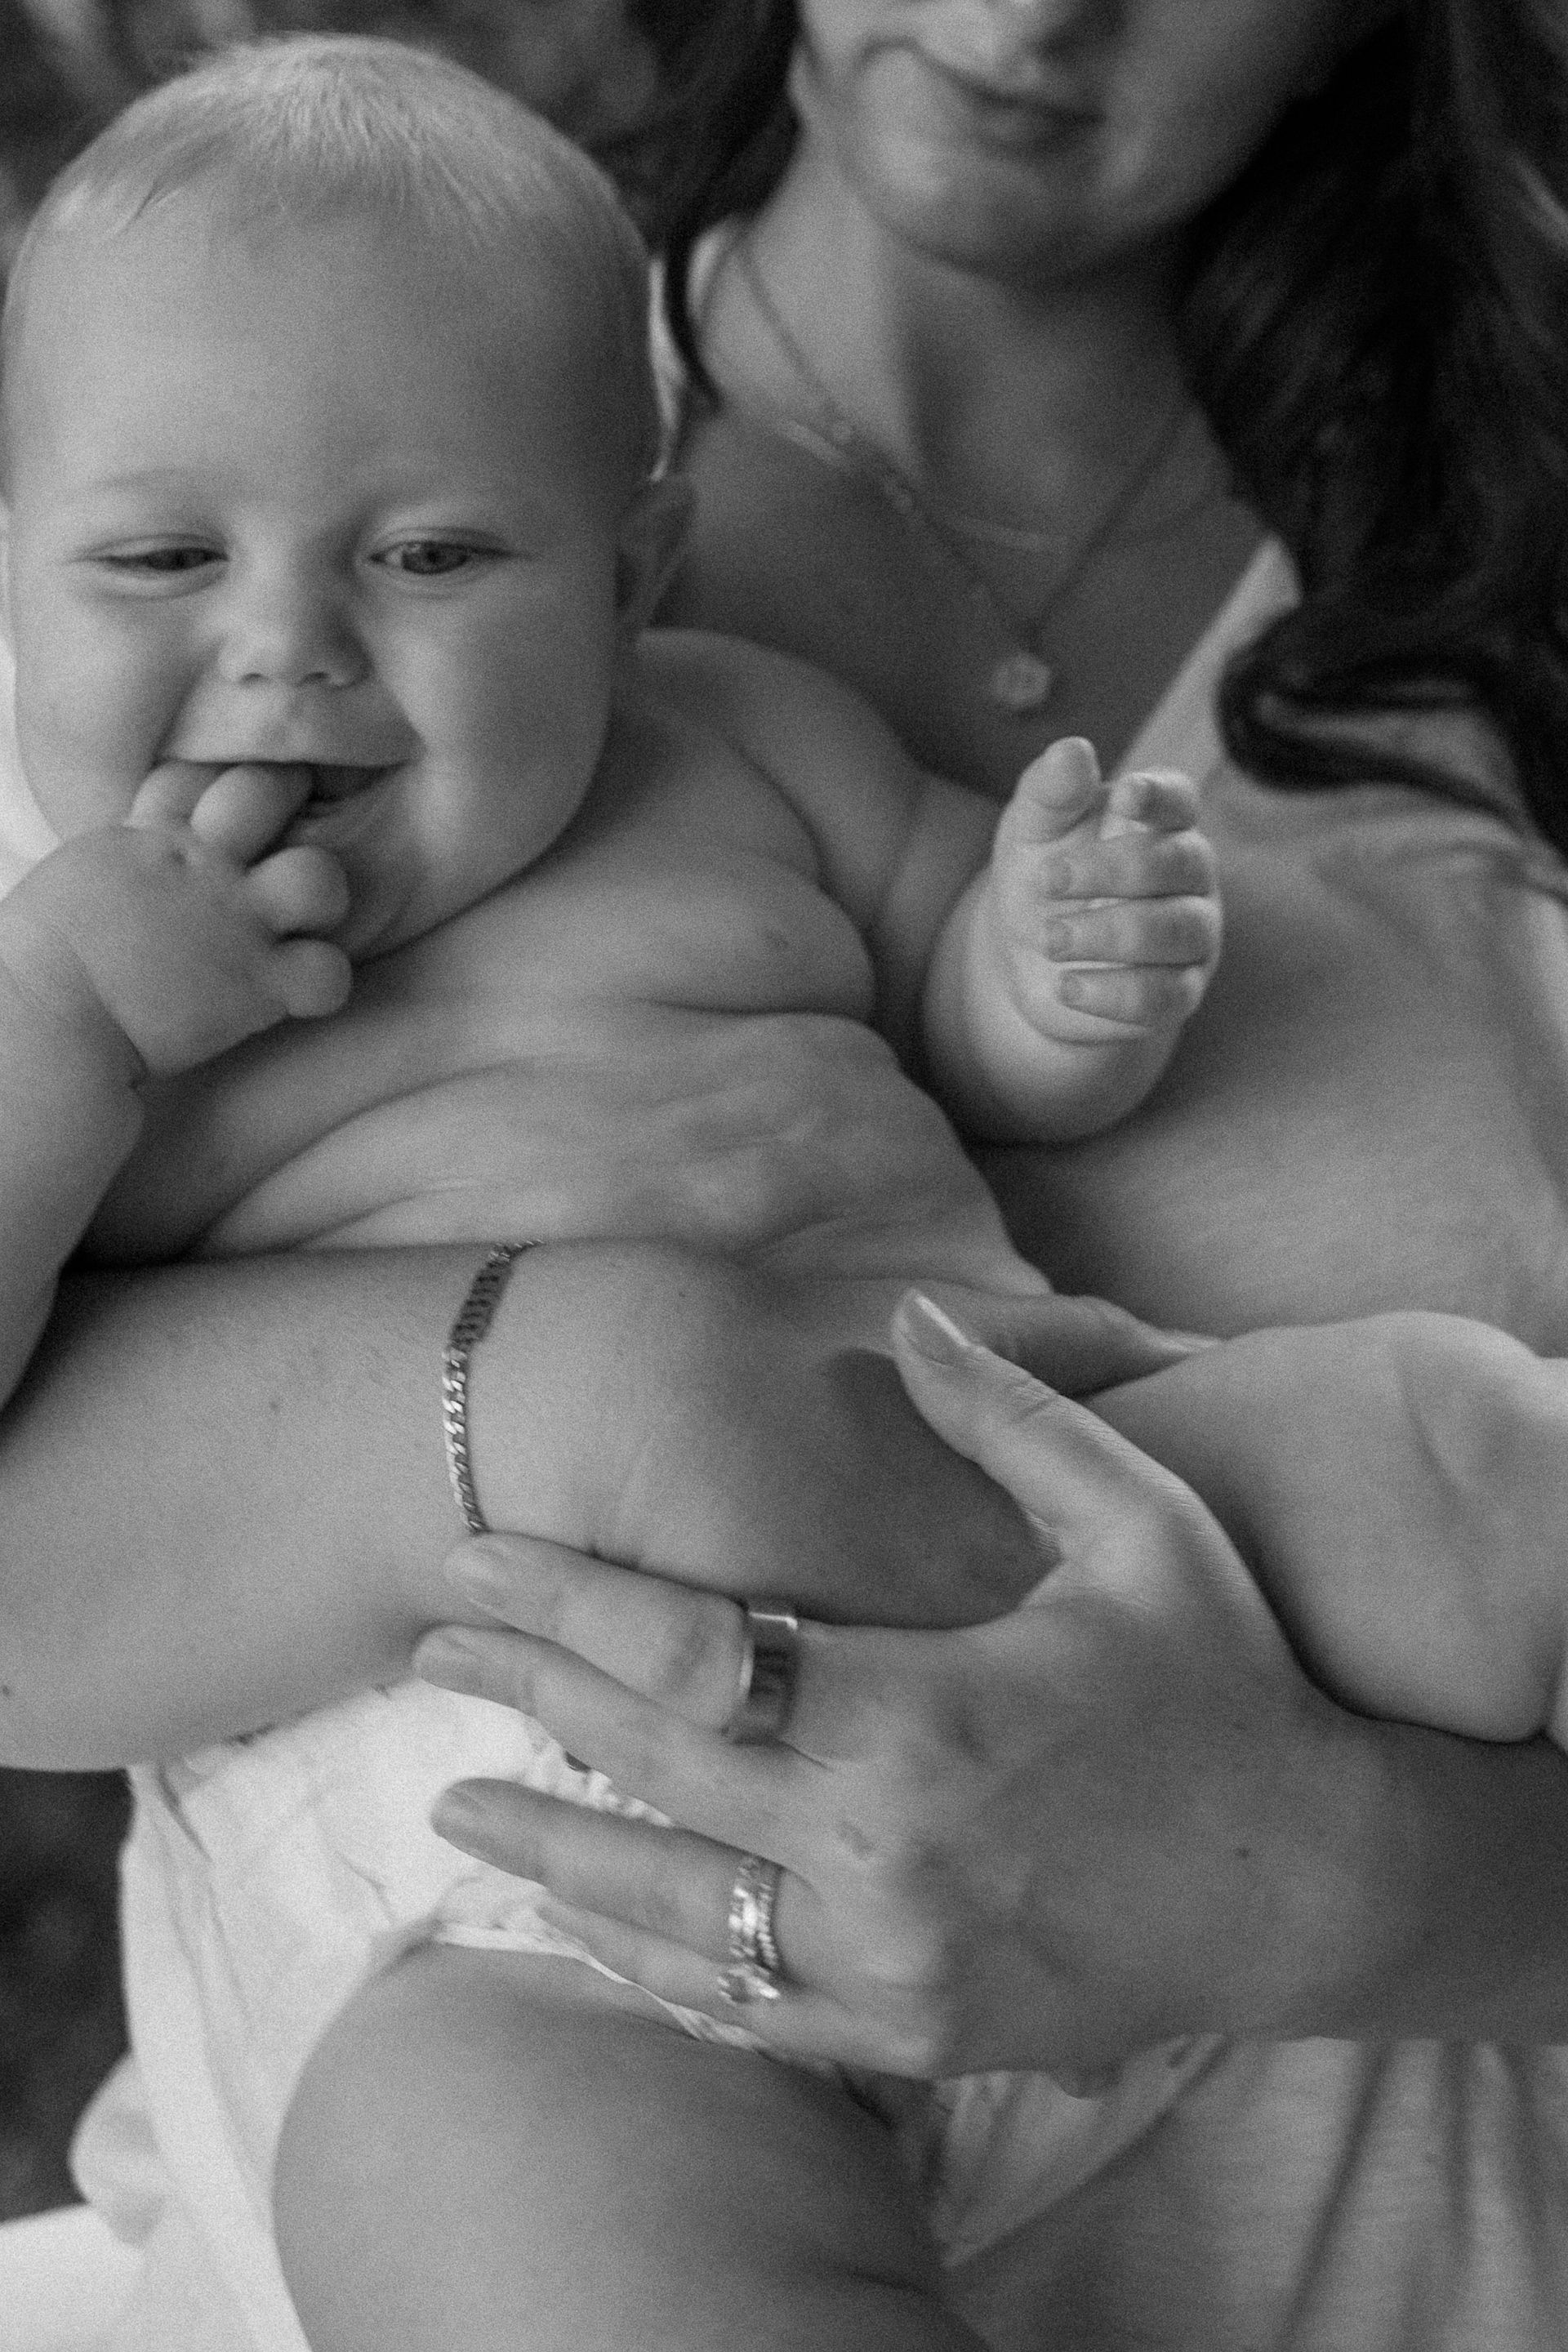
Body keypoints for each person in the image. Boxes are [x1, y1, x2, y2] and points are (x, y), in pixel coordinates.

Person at [2, 5, 1566, 2347]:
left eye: (431, 554)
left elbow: (973, 999)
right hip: (533, 1836)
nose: (282, 649)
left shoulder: (729, 736)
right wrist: (63, 1025)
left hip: (1109, 1487)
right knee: (543, 2198)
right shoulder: (83, 879)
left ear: (636, 576)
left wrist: (1060, 970)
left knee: (1462, 1442)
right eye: (154, 558)